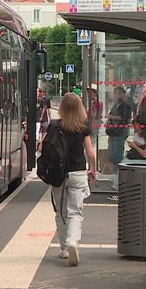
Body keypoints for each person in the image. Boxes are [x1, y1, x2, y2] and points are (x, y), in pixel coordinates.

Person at [47, 93, 97, 267]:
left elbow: (42, 147)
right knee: (76, 212)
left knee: (61, 213)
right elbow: (90, 152)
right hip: (78, 174)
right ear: (80, 108)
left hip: (58, 175)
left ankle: (64, 248)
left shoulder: (55, 126)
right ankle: (73, 241)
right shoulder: (83, 126)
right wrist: (93, 169)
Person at [106, 86, 132, 201]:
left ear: (122, 94)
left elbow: (125, 118)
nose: (115, 96)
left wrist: (113, 117)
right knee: (112, 154)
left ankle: (119, 179)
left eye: (117, 94)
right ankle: (118, 177)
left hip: (120, 132)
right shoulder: (116, 105)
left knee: (117, 154)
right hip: (113, 132)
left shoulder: (125, 105)